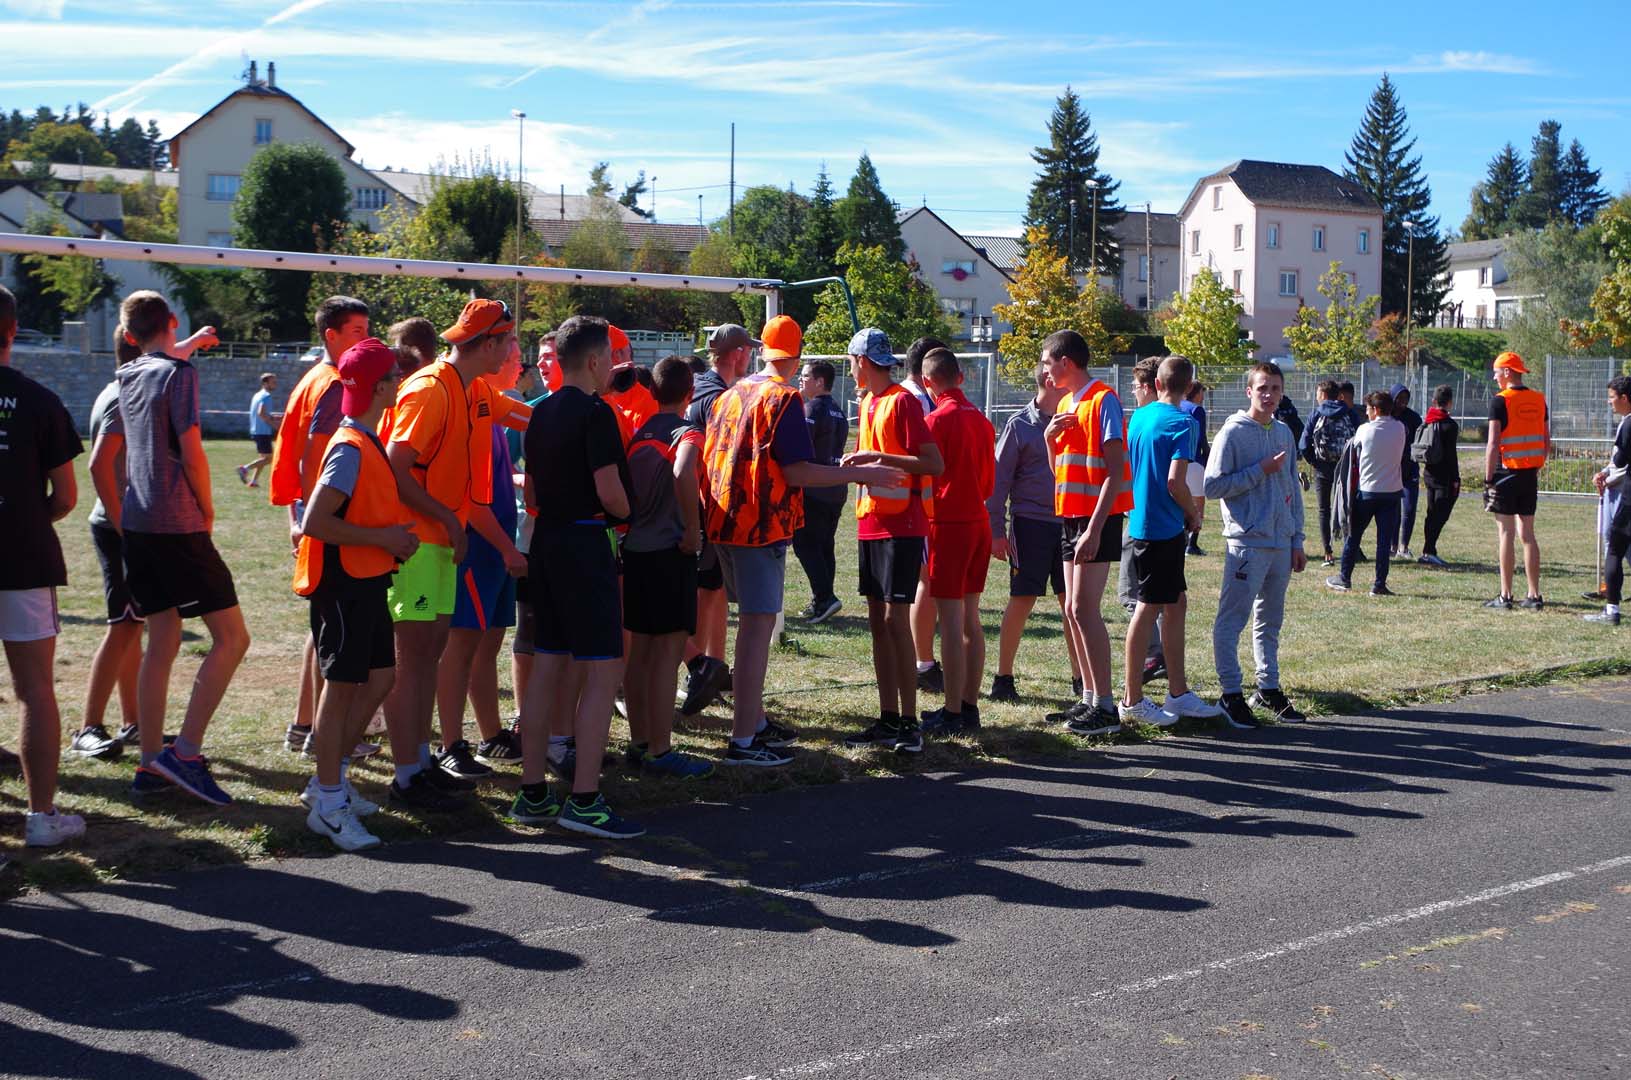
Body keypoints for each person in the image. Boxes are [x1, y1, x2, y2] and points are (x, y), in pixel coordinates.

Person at [98, 290, 250, 805]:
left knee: (161, 639)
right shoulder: (178, 374)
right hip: (176, 525)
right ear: (173, 320)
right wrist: (207, 508)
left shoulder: (127, 374)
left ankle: (149, 763)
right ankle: (183, 754)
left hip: (139, 526)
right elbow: (191, 451)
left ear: (127, 335)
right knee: (232, 638)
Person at [511, 316, 641, 837]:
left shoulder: (538, 413)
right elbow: (610, 492)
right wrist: (630, 513)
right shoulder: (596, 413)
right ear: (592, 360)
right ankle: (584, 798)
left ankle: (532, 792)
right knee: (603, 672)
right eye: (609, 356)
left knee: (546, 666)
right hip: (586, 544)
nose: (613, 364)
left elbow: (532, 493)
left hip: (546, 543)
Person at [293, 339, 418, 850]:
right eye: (394, 376)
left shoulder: (367, 438)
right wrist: (383, 538)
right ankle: (328, 802)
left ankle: (330, 780)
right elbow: (315, 522)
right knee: (340, 687)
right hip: (342, 585)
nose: (400, 382)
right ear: (380, 387)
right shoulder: (349, 446)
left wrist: (388, 539)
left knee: (382, 677)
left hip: (366, 579)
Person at [380, 298, 503, 811]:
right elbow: (395, 465)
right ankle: (406, 775)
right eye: (508, 342)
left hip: (440, 544)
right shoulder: (431, 388)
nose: (512, 352)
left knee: (427, 657)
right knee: (410, 660)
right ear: (489, 344)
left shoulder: (470, 386)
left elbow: (521, 413)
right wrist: (449, 519)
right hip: (415, 544)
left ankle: (420, 763)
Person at [77, 322, 217, 760]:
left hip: (133, 525)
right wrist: (123, 526)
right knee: (123, 626)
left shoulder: (131, 382)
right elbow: (99, 465)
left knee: (134, 624)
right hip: (121, 526)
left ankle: (133, 722)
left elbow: (170, 359)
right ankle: (88, 727)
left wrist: (193, 342)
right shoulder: (122, 394)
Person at [0, 283, 87, 846]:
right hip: (24, 559)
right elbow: (67, 496)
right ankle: (41, 818)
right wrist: (28, 520)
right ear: (13, 331)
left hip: (24, 557)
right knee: (34, 690)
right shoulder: (39, 400)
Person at [271, 296, 371, 756]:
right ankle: (320, 733)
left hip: (314, 519)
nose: (366, 338)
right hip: (329, 524)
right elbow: (316, 458)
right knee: (333, 631)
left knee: (322, 628)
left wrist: (296, 517)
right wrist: (312, 518)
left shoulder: (313, 377)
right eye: (356, 331)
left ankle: (304, 725)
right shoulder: (333, 384)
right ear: (331, 335)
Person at [432, 330, 531, 781]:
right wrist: (507, 547)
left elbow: (532, 419)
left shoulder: (489, 401)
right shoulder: (459, 401)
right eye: (514, 355)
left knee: (488, 641)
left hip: (497, 545)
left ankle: (491, 734)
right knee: (462, 644)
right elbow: (469, 497)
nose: (520, 364)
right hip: (478, 545)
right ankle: (451, 744)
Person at [842, 327, 943, 753]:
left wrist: (878, 459)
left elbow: (933, 463)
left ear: (861, 362)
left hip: (903, 525)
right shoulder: (868, 401)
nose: (851, 371)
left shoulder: (902, 401)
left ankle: (909, 723)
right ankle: (888, 718)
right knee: (878, 624)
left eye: (851, 363)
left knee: (895, 623)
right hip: (871, 521)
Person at [1115, 355, 1223, 730]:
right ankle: (1132, 700)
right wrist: (1193, 513)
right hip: (1160, 529)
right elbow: (1176, 482)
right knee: (1148, 609)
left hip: (1144, 523)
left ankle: (1178, 693)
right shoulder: (1184, 423)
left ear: (1157, 384)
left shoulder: (1139, 416)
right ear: (1189, 387)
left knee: (1176, 603)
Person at [620, 356, 713, 778]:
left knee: (639, 652)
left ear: (653, 392)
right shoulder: (687, 431)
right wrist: (693, 530)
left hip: (636, 552)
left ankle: (640, 742)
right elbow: (682, 470)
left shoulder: (638, 435)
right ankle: (660, 751)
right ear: (690, 393)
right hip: (670, 553)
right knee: (667, 654)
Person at [1205, 362, 1308, 727]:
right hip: (1246, 542)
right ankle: (1230, 693)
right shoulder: (1233, 432)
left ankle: (1268, 688)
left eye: (1275, 388)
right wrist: (1259, 470)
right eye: (1263, 388)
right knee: (1232, 619)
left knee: (1270, 620)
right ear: (1249, 391)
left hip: (1280, 542)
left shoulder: (1283, 433)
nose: (1269, 395)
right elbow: (1212, 486)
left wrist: (1296, 539)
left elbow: (1292, 488)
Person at [1043, 329, 1132, 734]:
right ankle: (1089, 699)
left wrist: (1094, 530)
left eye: (1048, 362)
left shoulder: (1103, 399)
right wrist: (1049, 440)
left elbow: (1116, 471)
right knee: (1071, 609)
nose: (1045, 370)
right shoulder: (1065, 403)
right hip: (1071, 516)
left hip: (1097, 519)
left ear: (1066, 362)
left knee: (1083, 608)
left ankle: (1106, 708)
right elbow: (1060, 471)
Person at [987, 362, 1083, 704]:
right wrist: (996, 530)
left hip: (1070, 523)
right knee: (1023, 598)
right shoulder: (1020, 425)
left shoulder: (1074, 419)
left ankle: (1081, 678)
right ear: (1049, 381)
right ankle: (1003, 677)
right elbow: (998, 482)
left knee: (1071, 603)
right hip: (1030, 524)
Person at [679, 322, 759, 717]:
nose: (751, 357)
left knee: (714, 592)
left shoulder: (708, 388)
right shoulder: (717, 396)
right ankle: (698, 671)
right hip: (703, 506)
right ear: (738, 353)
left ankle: (715, 670)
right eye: (749, 350)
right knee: (702, 594)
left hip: (708, 506)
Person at [917, 349, 994, 736]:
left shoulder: (934, 420)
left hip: (949, 524)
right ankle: (968, 705)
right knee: (970, 617)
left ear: (927, 382)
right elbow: (989, 483)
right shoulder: (981, 420)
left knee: (949, 619)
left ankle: (951, 712)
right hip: (979, 520)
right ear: (960, 377)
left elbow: (925, 478)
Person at [1112, 357, 1166, 698]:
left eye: (1135, 387)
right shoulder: (1176, 418)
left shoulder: (1140, 422)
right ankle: (1163, 655)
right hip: (1166, 522)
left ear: (1148, 387)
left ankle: (1154, 653)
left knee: (1131, 593)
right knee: (1162, 596)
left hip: (1141, 521)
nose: (1133, 392)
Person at [1483, 351, 1549, 610]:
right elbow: (1546, 441)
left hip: (1506, 473)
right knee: (1528, 534)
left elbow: (1492, 444)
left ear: (1507, 372)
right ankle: (1534, 595)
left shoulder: (1500, 401)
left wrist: (1488, 479)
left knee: (1506, 534)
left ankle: (1506, 595)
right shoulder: (1539, 399)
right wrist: (1536, 467)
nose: (1495, 378)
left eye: (1497, 372)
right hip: (1529, 474)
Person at [1326, 390, 1406, 596]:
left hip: (1367, 491)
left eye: (1369, 409)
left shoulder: (1364, 430)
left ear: (1376, 410)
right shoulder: (1400, 428)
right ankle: (1379, 584)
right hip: (1392, 492)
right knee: (1383, 542)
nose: (1367, 413)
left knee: (1353, 536)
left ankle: (1344, 577)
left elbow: (1353, 448)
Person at [904, 336, 948, 690]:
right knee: (926, 581)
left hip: (900, 502)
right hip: (918, 502)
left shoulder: (898, 395)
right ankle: (923, 662)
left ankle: (919, 660)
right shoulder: (917, 400)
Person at [793, 359, 848, 624]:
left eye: (805, 376)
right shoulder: (838, 409)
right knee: (825, 545)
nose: (800, 380)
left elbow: (801, 447)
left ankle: (825, 597)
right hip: (836, 488)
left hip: (815, 488)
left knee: (805, 544)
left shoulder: (812, 408)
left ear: (820, 382)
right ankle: (822, 600)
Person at [1586, 375, 1631, 625]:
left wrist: (1606, 473)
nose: (1609, 401)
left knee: (1614, 548)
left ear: (1625, 398)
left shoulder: (1628, 424)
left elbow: (1620, 460)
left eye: (1612, 397)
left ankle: (1611, 610)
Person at [1300, 380, 1356, 566]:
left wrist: (1314, 462)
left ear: (1323, 395)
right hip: (1345, 466)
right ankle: (1349, 549)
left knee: (1324, 509)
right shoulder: (1349, 412)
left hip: (1322, 467)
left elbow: (1304, 444)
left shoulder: (1316, 414)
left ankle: (1328, 552)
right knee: (1347, 507)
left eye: (1317, 393)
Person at [1415, 384, 1461, 568]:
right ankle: (1429, 550)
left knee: (1431, 512)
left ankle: (1428, 550)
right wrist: (1455, 478)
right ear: (1450, 402)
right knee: (1441, 514)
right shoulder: (1450, 426)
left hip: (1429, 473)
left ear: (1434, 401)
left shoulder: (1428, 421)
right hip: (1445, 476)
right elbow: (1451, 455)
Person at [1391, 383, 1423, 558]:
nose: (1403, 402)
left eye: (1406, 399)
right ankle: (1393, 545)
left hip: (1410, 470)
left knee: (1409, 508)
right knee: (1393, 510)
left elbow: (1419, 444)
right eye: (1399, 398)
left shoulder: (1413, 418)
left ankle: (1404, 546)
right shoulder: (1387, 417)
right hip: (1392, 470)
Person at [1180, 380, 1209, 556]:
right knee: (1199, 502)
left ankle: (1181, 538)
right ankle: (1192, 543)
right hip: (1194, 461)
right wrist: (1209, 459)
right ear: (1196, 393)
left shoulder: (1178, 405)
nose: (1203, 397)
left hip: (1178, 461)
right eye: (1202, 392)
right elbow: (1201, 438)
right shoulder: (1196, 410)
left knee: (1181, 500)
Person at [237, 372, 278, 487]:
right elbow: (261, 413)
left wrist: (274, 417)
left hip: (256, 431)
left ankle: (254, 481)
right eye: (273, 382)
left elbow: (262, 413)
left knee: (263, 458)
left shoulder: (257, 395)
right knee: (269, 459)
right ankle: (244, 469)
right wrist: (275, 426)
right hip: (263, 432)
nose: (275, 384)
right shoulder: (267, 396)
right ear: (265, 383)